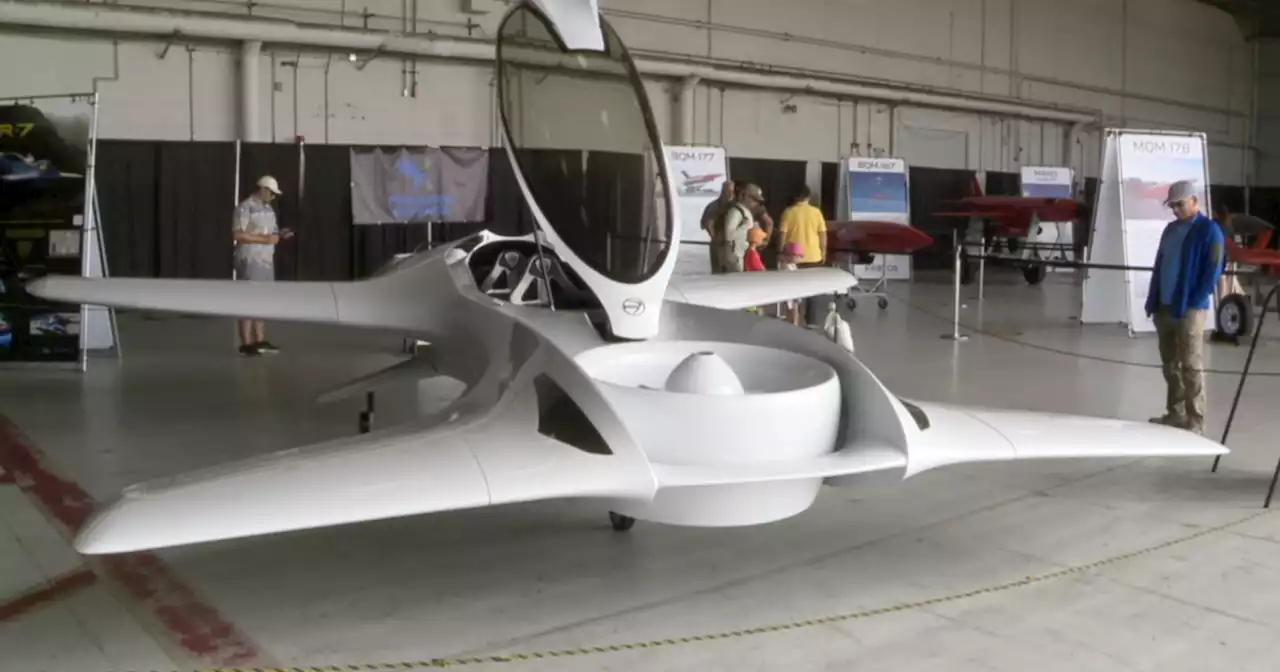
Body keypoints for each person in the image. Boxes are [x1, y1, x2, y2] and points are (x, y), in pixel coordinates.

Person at [1144, 180, 1224, 434]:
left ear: (1194, 201)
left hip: (1190, 308)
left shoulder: (1209, 231)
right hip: (1164, 305)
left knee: (1191, 364)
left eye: (1180, 205)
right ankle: (1175, 413)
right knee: (1170, 364)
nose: (1175, 210)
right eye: (1172, 206)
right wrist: (1153, 300)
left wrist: (1195, 300)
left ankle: (1196, 420)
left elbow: (1214, 268)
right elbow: (1160, 264)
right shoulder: (1169, 230)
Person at [232, 175, 292, 356]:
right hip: (250, 259)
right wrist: (264, 239)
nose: (273, 198)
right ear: (263, 189)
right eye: (272, 194)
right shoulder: (245, 207)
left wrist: (280, 235)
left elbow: (270, 232)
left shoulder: (269, 210)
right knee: (249, 300)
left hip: (266, 260)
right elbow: (237, 235)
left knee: (262, 300)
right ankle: (246, 343)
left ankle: (260, 341)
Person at [776, 185, 829, 322]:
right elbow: (822, 234)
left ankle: (794, 319)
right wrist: (823, 251)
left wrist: (780, 252)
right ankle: (811, 320)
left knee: (794, 290)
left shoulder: (788, 212)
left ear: (794, 197)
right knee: (813, 289)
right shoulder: (816, 212)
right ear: (808, 197)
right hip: (813, 256)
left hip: (793, 257)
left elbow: (782, 234)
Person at [716, 183, 763, 273]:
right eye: (754, 199)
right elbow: (729, 235)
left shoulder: (745, 211)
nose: (756, 203)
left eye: (757, 201)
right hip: (735, 255)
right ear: (744, 196)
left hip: (741, 253)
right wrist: (744, 226)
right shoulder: (735, 212)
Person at [701, 180, 735, 274]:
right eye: (728, 191)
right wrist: (714, 237)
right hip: (720, 244)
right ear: (723, 191)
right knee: (719, 273)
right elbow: (707, 223)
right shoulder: (714, 206)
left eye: (732, 191)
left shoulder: (735, 206)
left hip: (731, 244)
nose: (730, 193)